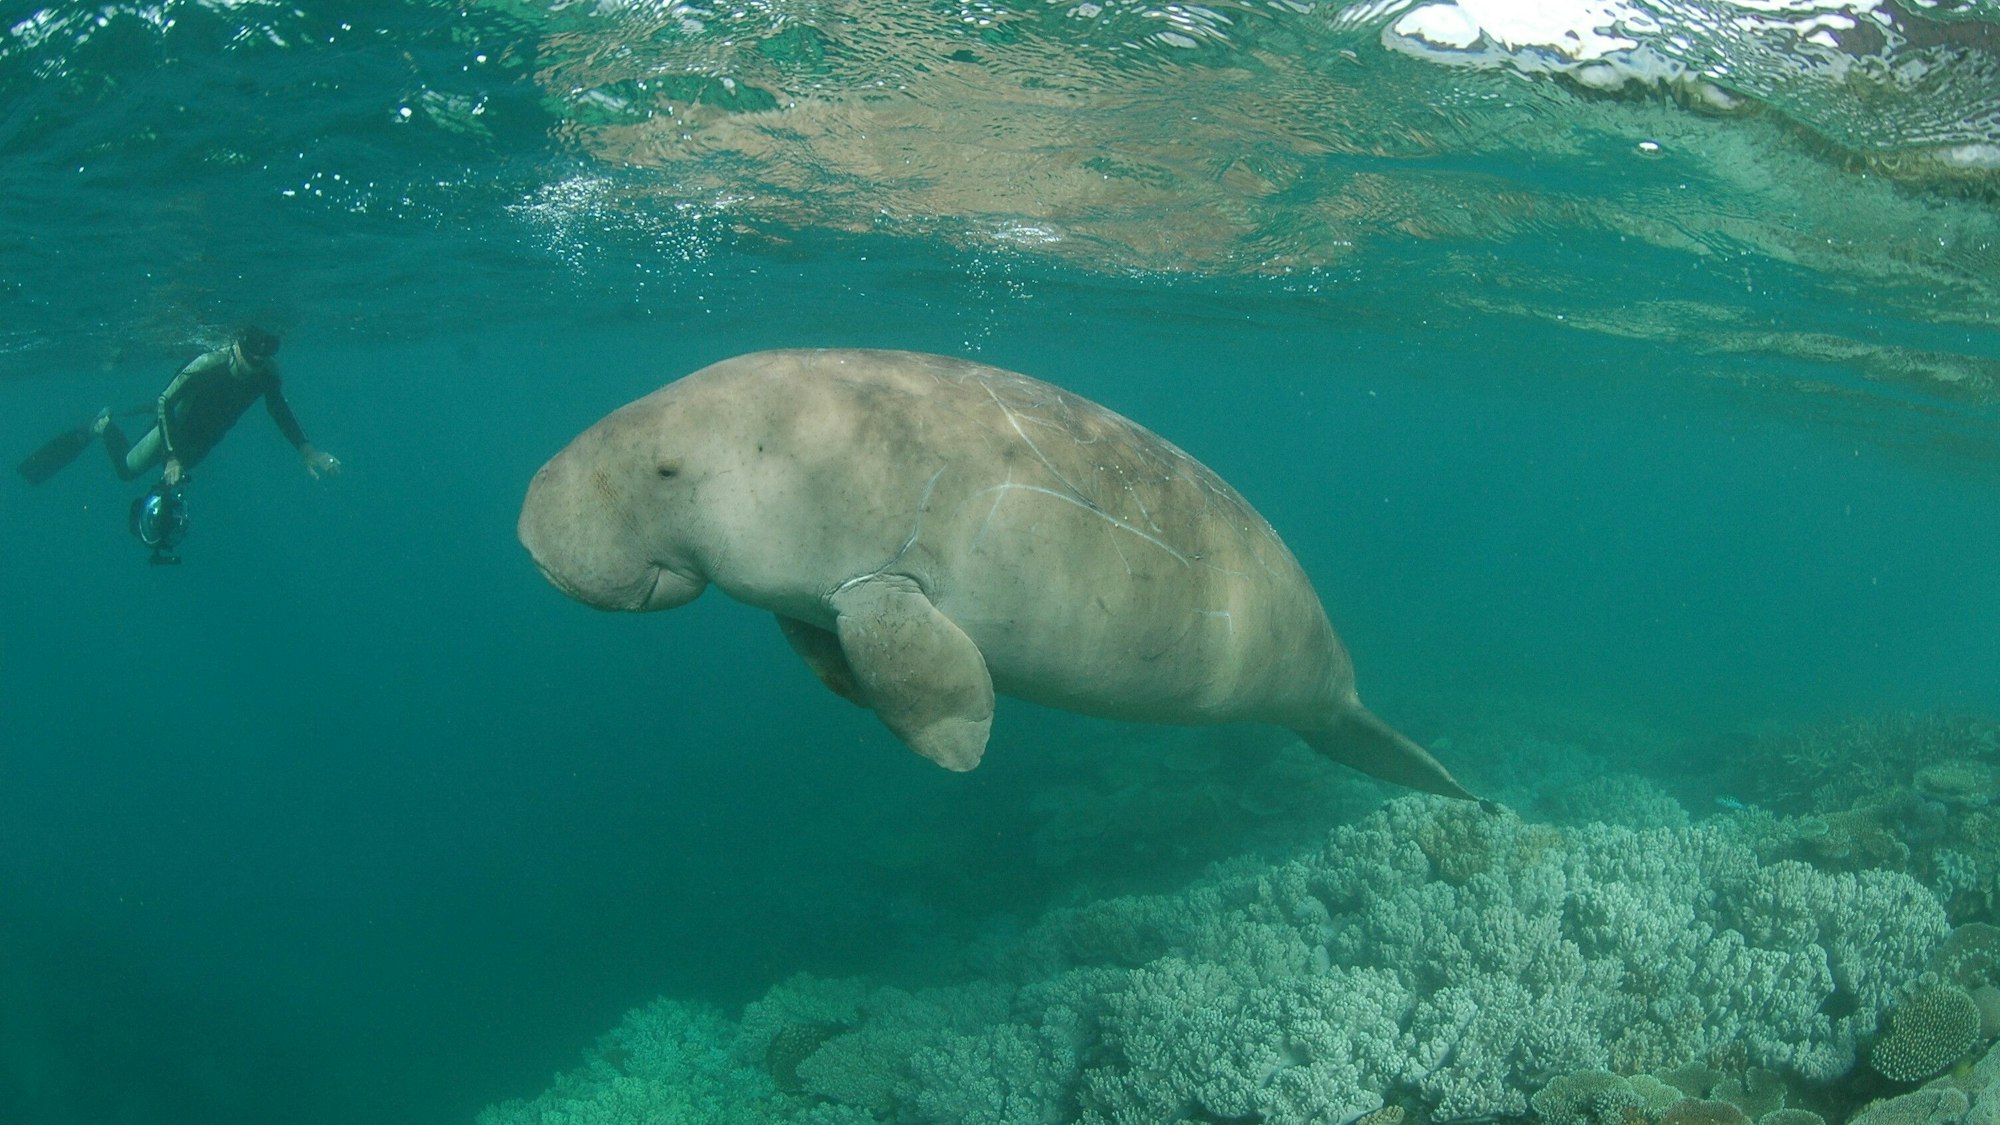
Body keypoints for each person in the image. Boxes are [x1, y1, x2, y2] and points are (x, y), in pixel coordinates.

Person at [92, 326, 340, 485]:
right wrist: (171, 456)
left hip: (207, 437)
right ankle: (105, 425)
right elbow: (165, 401)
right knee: (127, 471)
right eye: (251, 360)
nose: (256, 367)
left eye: (263, 361)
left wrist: (308, 451)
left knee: (172, 485)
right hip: (175, 426)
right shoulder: (208, 364)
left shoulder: (268, 373)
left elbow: (279, 410)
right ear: (237, 347)